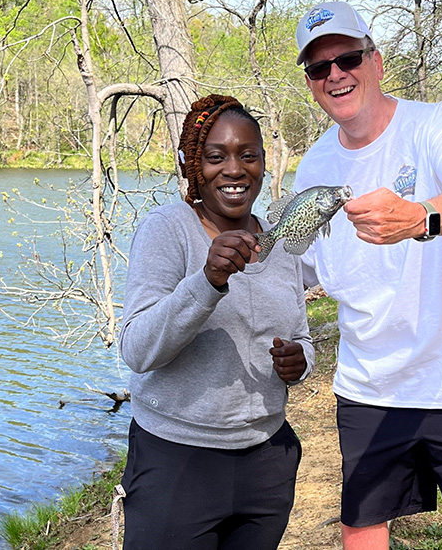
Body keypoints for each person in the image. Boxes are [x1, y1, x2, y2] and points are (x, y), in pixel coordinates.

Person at [292, 1, 442, 550]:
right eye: (318, 67)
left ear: (375, 61)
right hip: (371, 381)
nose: (335, 74)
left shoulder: (434, 125)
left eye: (347, 57)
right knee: (361, 523)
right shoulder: (314, 168)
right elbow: (299, 264)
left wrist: (421, 217)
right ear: (310, 83)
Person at [116, 94, 314, 550]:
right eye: (216, 157)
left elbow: (302, 335)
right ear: (192, 166)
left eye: (248, 155)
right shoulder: (167, 229)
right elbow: (138, 350)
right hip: (177, 462)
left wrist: (300, 361)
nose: (234, 169)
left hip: (267, 462)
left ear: (264, 163)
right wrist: (207, 281)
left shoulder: (281, 242)